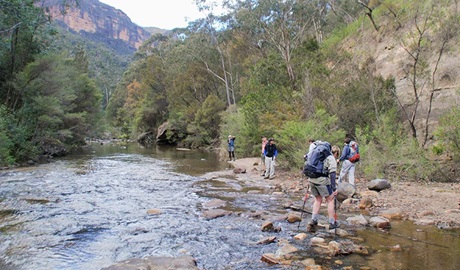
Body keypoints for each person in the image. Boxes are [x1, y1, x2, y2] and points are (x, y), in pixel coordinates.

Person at [307, 144, 340, 230]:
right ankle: (332, 222)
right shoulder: (331, 158)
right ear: (336, 153)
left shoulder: (316, 155)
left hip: (311, 179)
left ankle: (313, 219)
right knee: (330, 199)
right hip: (321, 180)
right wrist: (334, 188)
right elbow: (332, 173)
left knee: (318, 199)